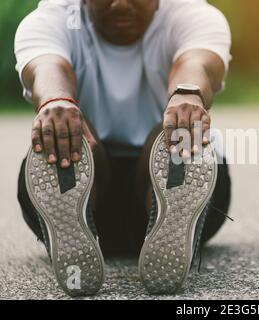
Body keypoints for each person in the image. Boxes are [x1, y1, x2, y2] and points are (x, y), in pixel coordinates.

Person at [14, 0, 232, 296]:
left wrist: (187, 96)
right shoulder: (53, 18)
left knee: (175, 134)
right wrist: (56, 102)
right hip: (92, 189)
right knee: (67, 132)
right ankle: (76, 227)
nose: (120, 4)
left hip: (168, 176)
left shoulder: (193, 14)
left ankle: (171, 223)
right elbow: (48, 66)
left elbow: (196, 63)